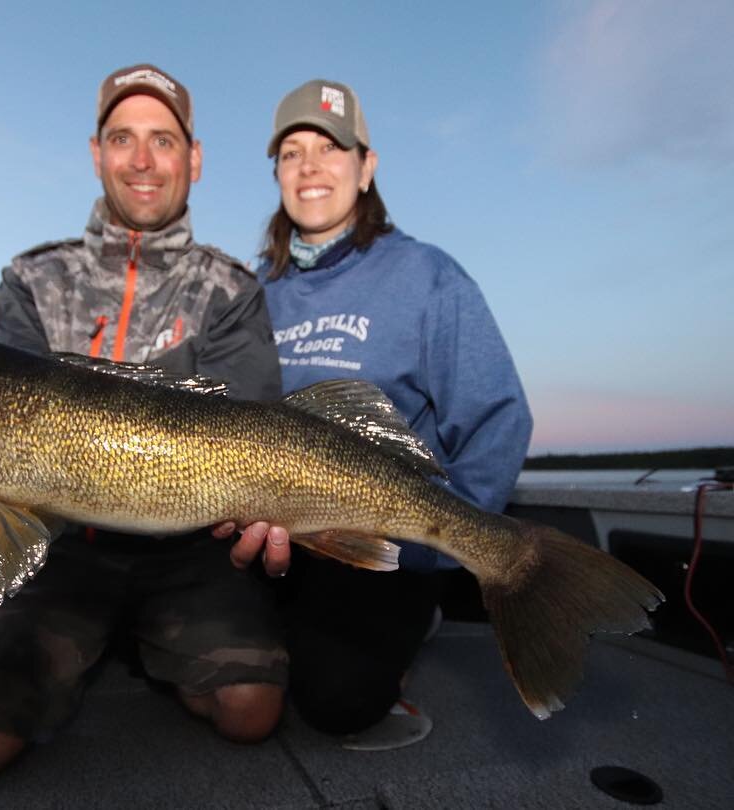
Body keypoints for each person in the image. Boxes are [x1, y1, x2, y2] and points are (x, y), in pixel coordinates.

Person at [0, 64, 287, 779]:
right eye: (123, 138)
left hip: (188, 550)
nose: (142, 161)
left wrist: (275, 511)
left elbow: (254, 428)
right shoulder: (31, 279)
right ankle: (95, 644)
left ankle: (140, 647)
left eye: (163, 141)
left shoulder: (232, 290)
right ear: (96, 153)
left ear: (194, 159)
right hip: (59, 546)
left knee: (250, 710)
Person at [221, 78, 533, 745]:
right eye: (290, 152)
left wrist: (436, 552)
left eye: (331, 149)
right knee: (177, 654)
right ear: (275, 172)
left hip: (390, 546)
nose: (309, 167)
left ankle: (424, 613)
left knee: (336, 700)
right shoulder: (250, 293)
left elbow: (497, 417)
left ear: (366, 167)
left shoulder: (426, 276)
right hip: (281, 542)